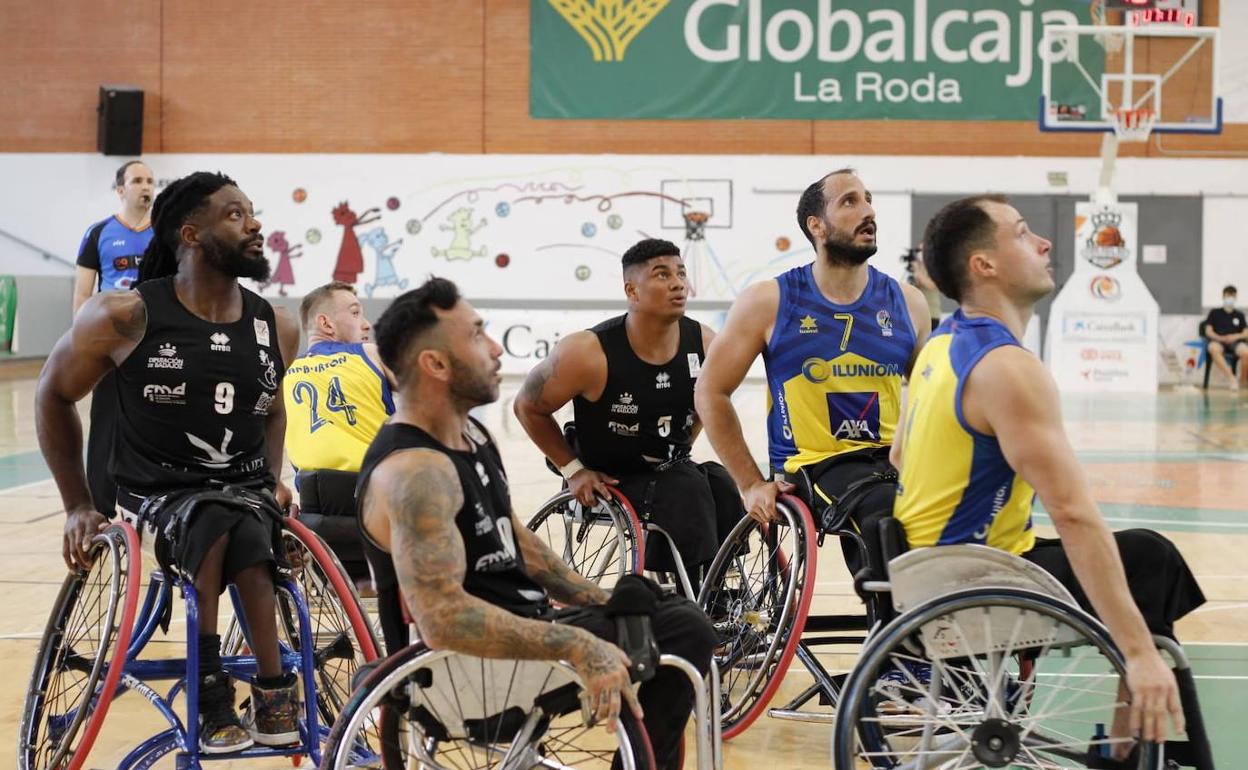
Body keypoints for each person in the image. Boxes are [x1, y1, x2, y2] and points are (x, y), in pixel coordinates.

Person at [357, 278, 716, 770]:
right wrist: (577, 642)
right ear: (435, 364)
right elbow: (444, 620)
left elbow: (514, 540)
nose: (494, 347)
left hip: (519, 645)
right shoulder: (416, 471)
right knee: (682, 630)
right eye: (476, 335)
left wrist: (597, 598)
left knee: (662, 610)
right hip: (465, 676)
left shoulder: (469, 434)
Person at [894, 194, 1205, 753]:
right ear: (983, 266)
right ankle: (1128, 743)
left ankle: (1126, 745)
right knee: (1150, 559)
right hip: (977, 579)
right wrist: (1137, 652)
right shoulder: (1006, 368)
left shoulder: (940, 346)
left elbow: (899, 456)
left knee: (1138, 553)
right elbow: (1073, 513)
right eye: (1021, 233)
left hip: (925, 568)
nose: (1043, 243)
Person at [36, 171, 303, 754]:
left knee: (249, 519)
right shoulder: (124, 315)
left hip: (238, 494)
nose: (255, 224)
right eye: (235, 215)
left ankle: (272, 691)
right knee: (216, 517)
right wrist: (78, 504)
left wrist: (272, 480)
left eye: (253, 211)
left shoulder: (276, 325)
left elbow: (274, 412)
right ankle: (209, 692)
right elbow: (52, 394)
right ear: (191, 234)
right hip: (152, 495)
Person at [694, 169, 930, 573]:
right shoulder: (771, 300)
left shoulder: (908, 302)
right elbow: (710, 392)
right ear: (816, 225)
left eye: (869, 199)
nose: (868, 210)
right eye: (850, 201)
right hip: (810, 465)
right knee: (885, 514)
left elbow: (932, 393)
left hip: (890, 462)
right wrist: (750, 483)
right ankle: (894, 632)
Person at [514, 238, 742, 585]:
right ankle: (695, 597)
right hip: (610, 475)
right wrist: (573, 470)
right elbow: (527, 407)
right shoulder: (588, 351)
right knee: (687, 487)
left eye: (681, 273)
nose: (678, 282)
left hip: (670, 470)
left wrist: (680, 444)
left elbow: (713, 402)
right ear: (632, 291)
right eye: (662, 275)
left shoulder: (705, 343)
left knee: (721, 482)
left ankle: (716, 589)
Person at [283, 280, 400, 648]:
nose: (366, 323)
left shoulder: (284, 374)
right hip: (378, 513)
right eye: (355, 312)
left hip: (314, 523)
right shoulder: (371, 355)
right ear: (326, 324)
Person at [74, 160, 157, 518]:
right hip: (111, 342)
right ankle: (101, 504)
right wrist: (82, 340)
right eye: (137, 180)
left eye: (151, 181)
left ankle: (153, 499)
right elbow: (82, 294)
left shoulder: (166, 234)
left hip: (155, 342)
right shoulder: (98, 233)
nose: (146, 186)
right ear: (121, 189)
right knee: (105, 424)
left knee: (155, 420)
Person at [1201, 284, 1248, 389]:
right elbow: (1208, 331)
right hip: (1218, 341)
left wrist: (1235, 336)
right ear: (1223, 296)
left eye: (1232, 296)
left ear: (1235, 297)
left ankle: (1243, 381)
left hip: (1235, 342)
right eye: (1228, 295)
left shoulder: (1239, 315)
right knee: (1212, 348)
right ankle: (1231, 378)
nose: (1230, 298)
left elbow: (1245, 333)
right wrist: (1220, 338)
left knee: (1246, 352)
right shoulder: (1214, 313)